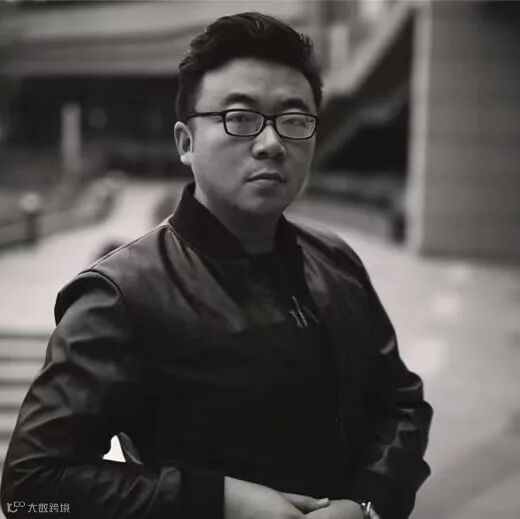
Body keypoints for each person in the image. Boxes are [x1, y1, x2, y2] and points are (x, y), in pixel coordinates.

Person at [1, 12, 432, 519]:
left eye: (294, 120)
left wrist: (367, 504)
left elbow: (401, 403)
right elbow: (29, 490)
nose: (271, 144)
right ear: (186, 142)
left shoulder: (334, 257)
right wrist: (220, 499)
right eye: (240, 118)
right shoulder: (120, 293)